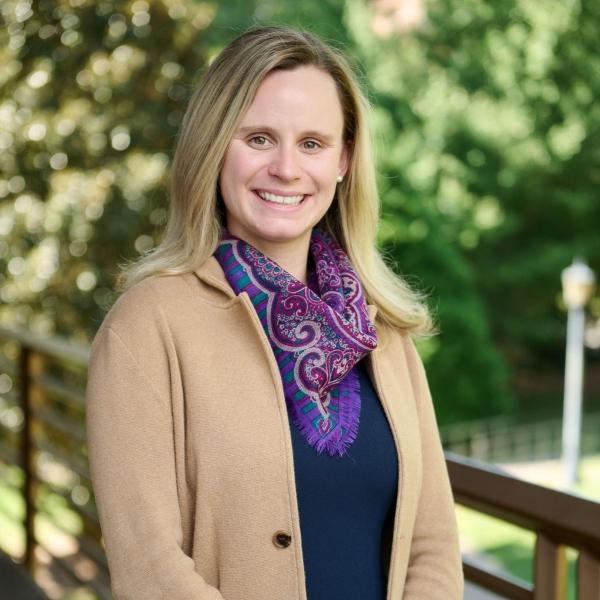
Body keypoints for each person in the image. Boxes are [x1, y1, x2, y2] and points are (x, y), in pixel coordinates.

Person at [85, 25, 463, 600]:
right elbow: (150, 570)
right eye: (259, 138)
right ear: (214, 148)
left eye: (312, 143)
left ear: (344, 160)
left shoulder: (381, 328)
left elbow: (434, 544)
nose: (287, 168)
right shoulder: (146, 328)